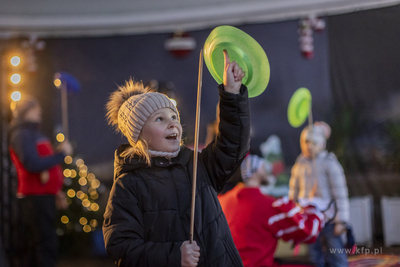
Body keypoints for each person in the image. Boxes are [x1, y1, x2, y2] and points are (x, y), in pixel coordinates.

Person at [102, 50, 249, 267]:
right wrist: (173, 256)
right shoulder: (129, 184)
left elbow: (232, 146)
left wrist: (232, 93)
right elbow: (121, 246)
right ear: (139, 135)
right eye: (160, 119)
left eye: (174, 117)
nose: (172, 124)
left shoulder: (197, 164)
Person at [219, 154, 326, 267]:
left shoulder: (221, 201)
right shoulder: (269, 205)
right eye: (262, 165)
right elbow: (308, 231)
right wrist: (313, 205)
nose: (267, 167)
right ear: (253, 172)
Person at [8, 95, 72, 267]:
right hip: (34, 198)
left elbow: (44, 163)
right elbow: (31, 163)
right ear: (25, 111)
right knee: (42, 245)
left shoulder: (35, 133)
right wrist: (61, 154)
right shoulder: (21, 134)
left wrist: (56, 189)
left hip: (45, 197)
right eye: (35, 109)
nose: (40, 112)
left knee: (45, 243)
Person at [288, 122, 350, 267]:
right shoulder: (299, 165)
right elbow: (293, 192)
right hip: (308, 220)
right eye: (305, 141)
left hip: (329, 218)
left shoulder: (330, 164)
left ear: (322, 143)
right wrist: (293, 215)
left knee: (336, 252)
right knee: (314, 255)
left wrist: (341, 221)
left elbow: (340, 194)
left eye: (313, 142)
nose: (309, 145)